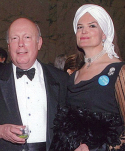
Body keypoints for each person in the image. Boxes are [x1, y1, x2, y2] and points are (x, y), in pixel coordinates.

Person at [0, 18, 69, 151]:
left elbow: (72, 124)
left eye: (27, 37)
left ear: (39, 43)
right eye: (14, 38)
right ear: (9, 46)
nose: (21, 44)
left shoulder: (60, 79)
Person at [51, 4, 125, 151]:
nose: (84, 31)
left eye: (92, 26)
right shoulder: (74, 75)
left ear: (104, 33)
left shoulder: (120, 71)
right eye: (79, 27)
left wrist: (99, 148)